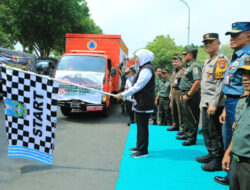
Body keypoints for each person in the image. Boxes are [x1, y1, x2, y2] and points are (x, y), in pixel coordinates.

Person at [214, 22, 250, 186]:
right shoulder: (237, 56)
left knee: (238, 140)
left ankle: (236, 177)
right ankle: (231, 176)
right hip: (230, 101)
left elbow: (246, 85)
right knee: (229, 138)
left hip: (240, 102)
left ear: (248, 36)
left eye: (236, 35)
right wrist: (224, 108)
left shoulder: (248, 56)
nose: (232, 39)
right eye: (230, 35)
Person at [196, 33, 228, 171]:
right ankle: (210, 153)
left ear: (218, 43)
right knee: (207, 131)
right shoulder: (208, 61)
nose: (207, 45)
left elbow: (220, 85)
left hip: (214, 104)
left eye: (210, 42)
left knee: (215, 132)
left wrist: (214, 103)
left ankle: (217, 159)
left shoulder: (221, 60)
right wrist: (203, 102)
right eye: (205, 43)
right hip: (206, 102)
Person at [115, 49, 155, 158]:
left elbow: (138, 86)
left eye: (137, 57)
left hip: (144, 102)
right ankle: (139, 146)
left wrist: (123, 94)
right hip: (141, 102)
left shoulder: (147, 69)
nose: (136, 59)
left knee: (142, 127)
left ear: (143, 57)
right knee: (139, 126)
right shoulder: (144, 68)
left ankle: (143, 151)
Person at [222, 59, 250, 190]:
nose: (245, 79)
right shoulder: (242, 102)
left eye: (249, 75)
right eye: (244, 75)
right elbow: (237, 130)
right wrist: (228, 152)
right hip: (237, 161)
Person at [177, 48, 202, 146]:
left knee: (192, 117)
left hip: (191, 95)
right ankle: (187, 134)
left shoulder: (195, 66)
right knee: (186, 116)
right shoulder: (189, 66)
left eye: (185, 54)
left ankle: (191, 138)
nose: (184, 56)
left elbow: (197, 82)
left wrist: (188, 94)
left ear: (191, 56)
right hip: (185, 93)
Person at [168, 54, 185, 132]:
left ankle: (182, 126)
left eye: (176, 62)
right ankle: (175, 124)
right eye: (174, 62)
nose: (175, 64)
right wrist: (170, 93)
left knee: (180, 110)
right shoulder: (174, 72)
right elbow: (172, 83)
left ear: (181, 62)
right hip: (174, 91)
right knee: (173, 109)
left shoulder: (183, 71)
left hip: (180, 91)